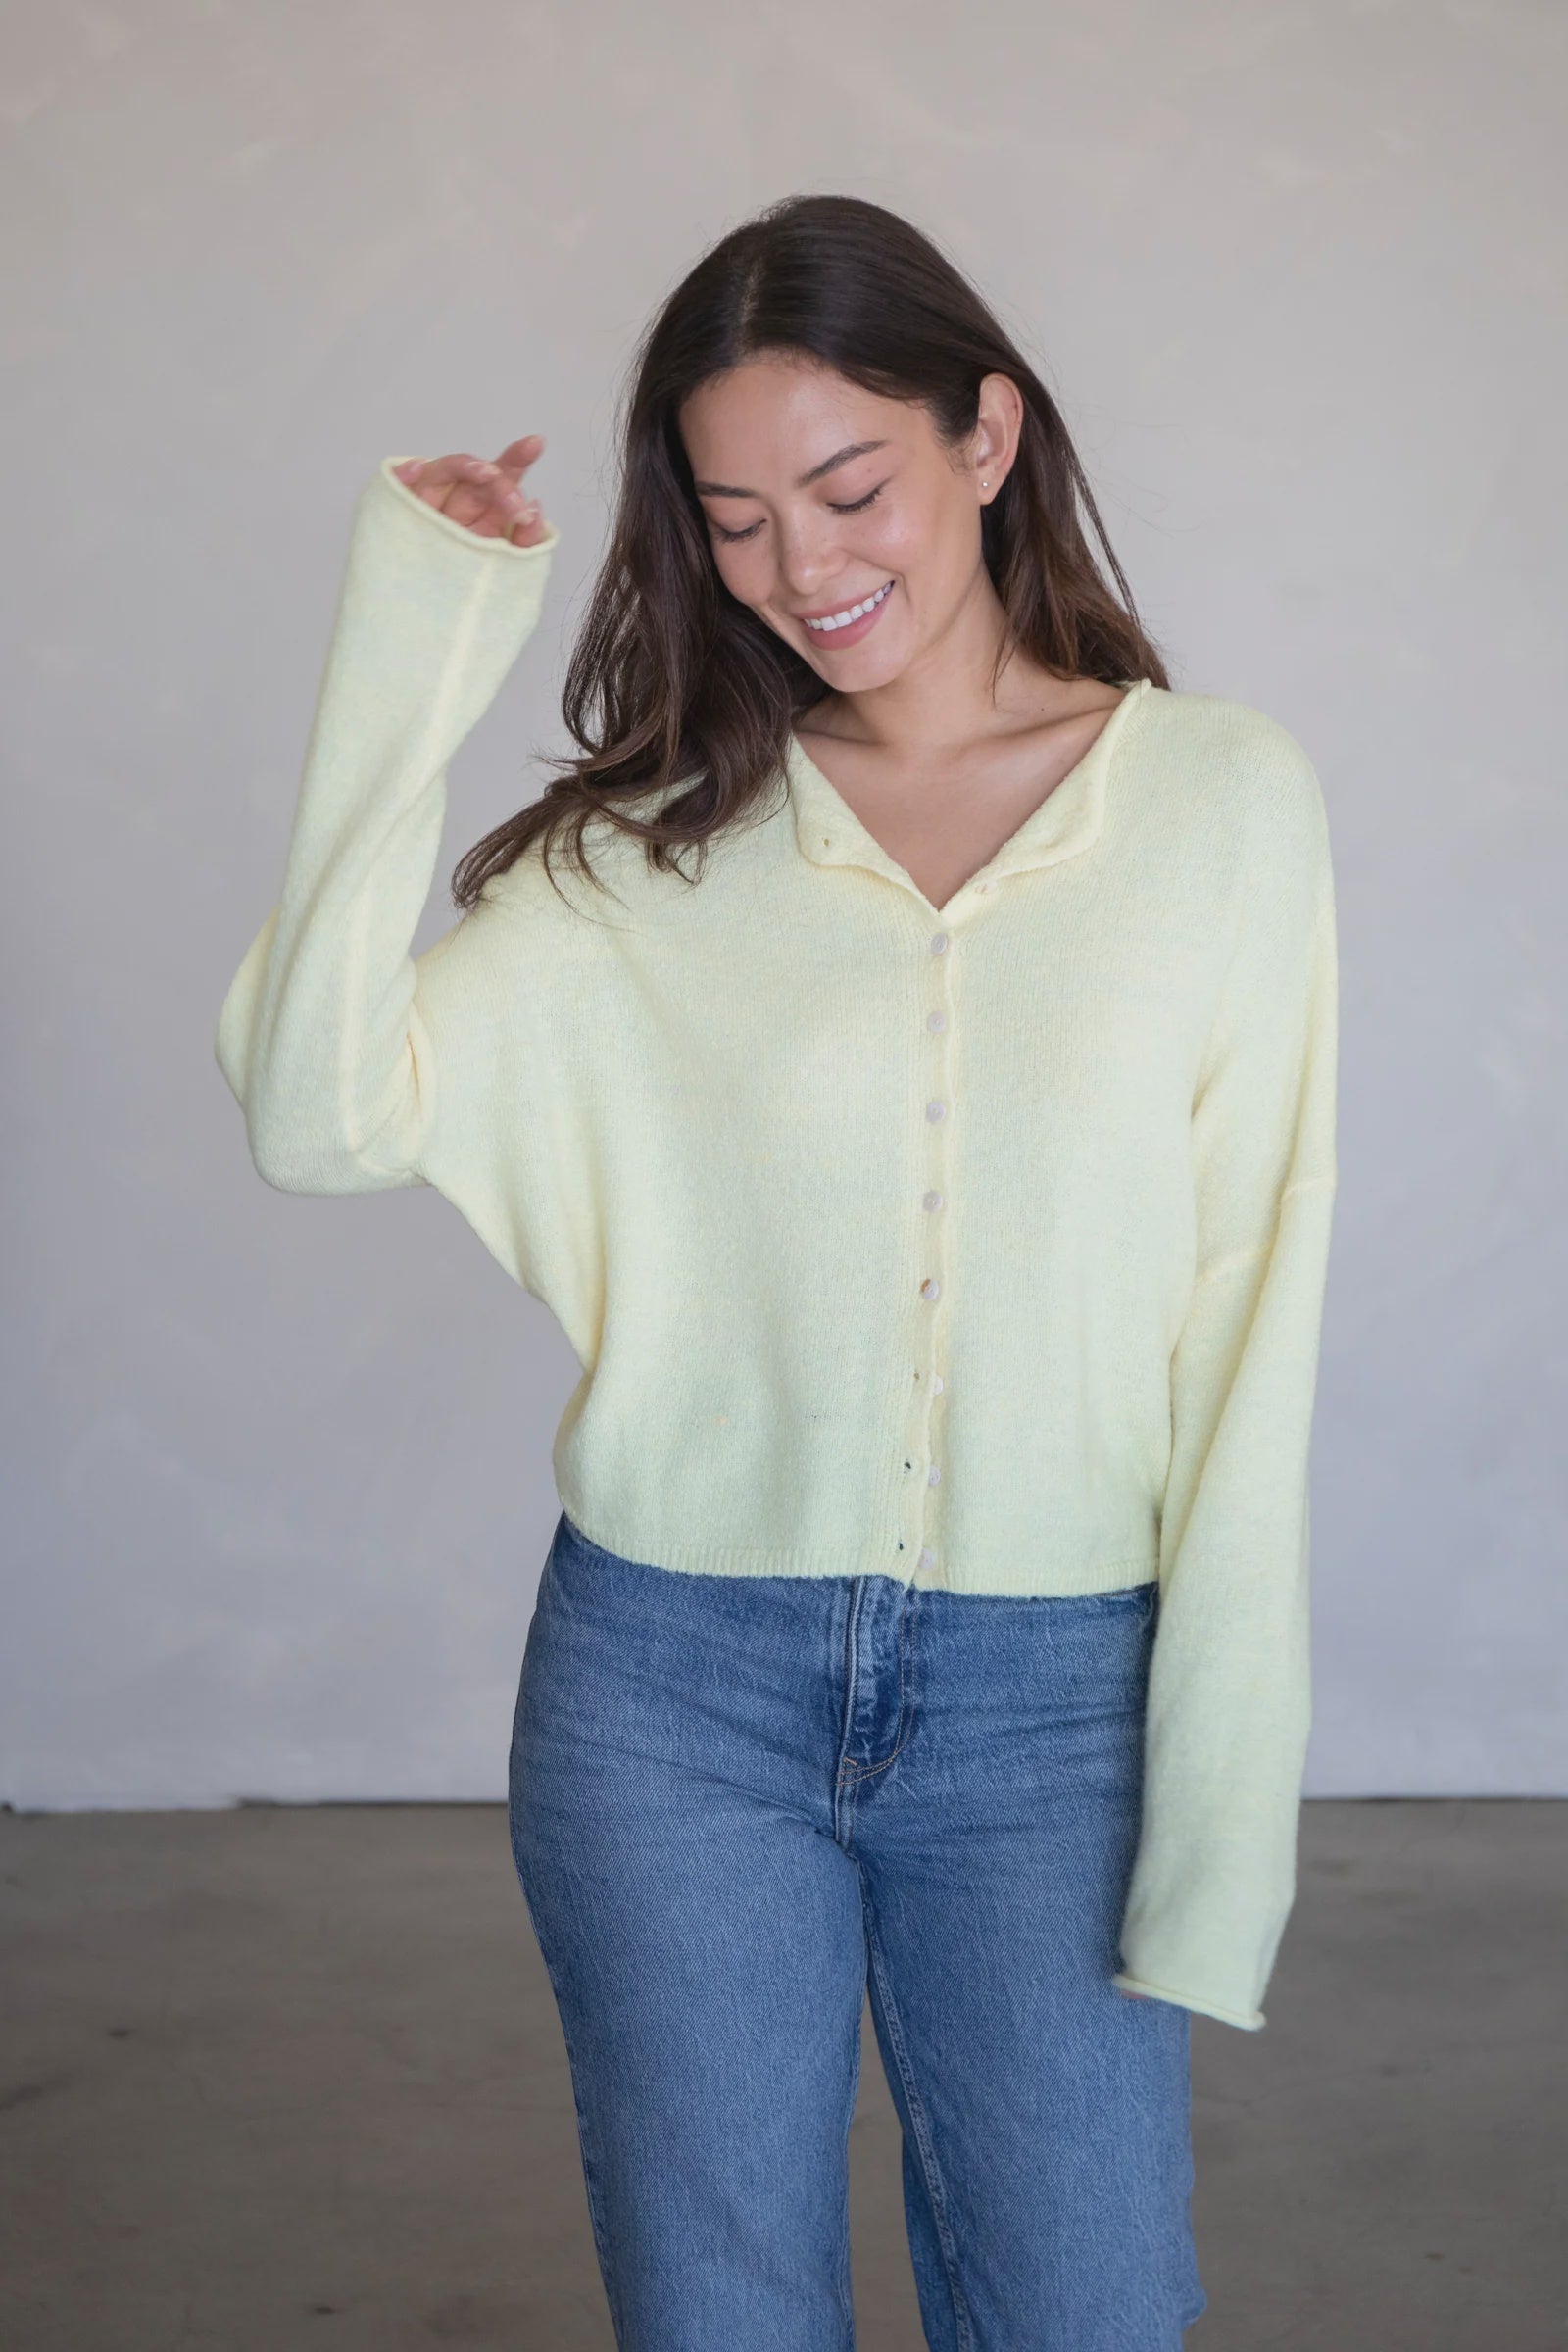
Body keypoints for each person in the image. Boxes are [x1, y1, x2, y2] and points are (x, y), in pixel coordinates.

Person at [215, 192, 1338, 2350]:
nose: (802, 568)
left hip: (1055, 1704)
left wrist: (1214, 1821)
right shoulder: (662, 845)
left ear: (985, 437)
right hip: (670, 1693)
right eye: (731, 521)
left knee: (1083, 2306)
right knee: (715, 2312)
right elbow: (314, 1111)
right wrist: (415, 639)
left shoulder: (1218, 808)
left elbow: (1251, 1330)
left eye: (850, 487)